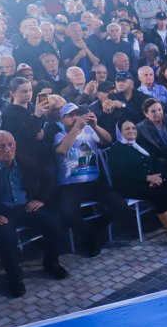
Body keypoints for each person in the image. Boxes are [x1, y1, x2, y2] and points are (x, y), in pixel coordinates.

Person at [0, 130, 67, 297]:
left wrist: (41, 199)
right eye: (1, 146)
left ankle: (51, 263)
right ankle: (14, 277)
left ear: (15, 144)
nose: (7, 150)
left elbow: (49, 176)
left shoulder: (27, 161)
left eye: (10, 145)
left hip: (25, 206)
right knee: (6, 238)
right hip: (0, 211)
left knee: (53, 224)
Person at [53, 103, 130, 257]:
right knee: (67, 214)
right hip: (70, 185)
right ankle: (90, 236)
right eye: (70, 115)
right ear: (62, 120)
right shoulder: (59, 135)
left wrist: (95, 125)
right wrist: (76, 128)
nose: (75, 117)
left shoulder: (89, 130)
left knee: (121, 205)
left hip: (93, 181)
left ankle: (94, 228)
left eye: (77, 114)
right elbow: (62, 150)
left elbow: (108, 140)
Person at [106, 120, 167, 247]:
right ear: (120, 132)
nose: (132, 130)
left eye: (133, 128)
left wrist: (158, 176)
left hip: (152, 180)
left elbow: (155, 161)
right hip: (130, 185)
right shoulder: (116, 150)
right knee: (160, 194)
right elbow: (121, 173)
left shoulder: (140, 143)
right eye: (127, 129)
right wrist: (147, 178)